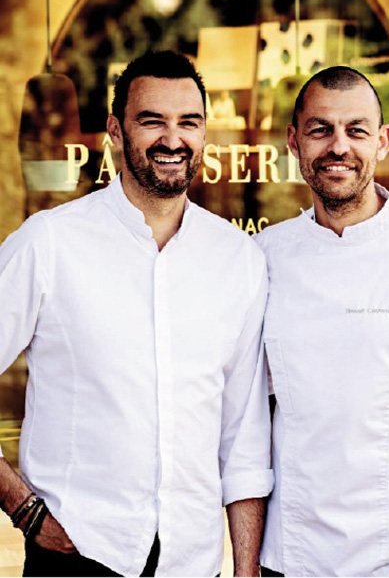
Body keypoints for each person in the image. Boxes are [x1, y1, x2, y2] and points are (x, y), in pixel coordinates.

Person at [0, 50, 273, 576]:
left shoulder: (238, 260)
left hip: (191, 560)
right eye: (152, 121)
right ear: (116, 132)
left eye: (188, 122)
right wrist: (24, 510)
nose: (173, 139)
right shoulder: (49, 243)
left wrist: (246, 570)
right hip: (76, 556)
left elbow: (243, 436)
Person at [254, 66, 389, 577]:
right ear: (294, 142)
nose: (338, 146)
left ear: (383, 142)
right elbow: (243, 424)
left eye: (356, 130)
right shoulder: (260, 258)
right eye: (320, 129)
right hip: (291, 559)